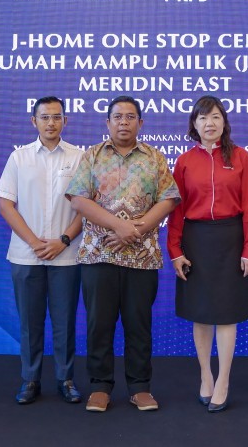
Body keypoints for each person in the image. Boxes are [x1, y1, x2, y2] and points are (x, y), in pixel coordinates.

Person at [66, 95, 180, 413]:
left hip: (141, 257)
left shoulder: (154, 158)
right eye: (118, 117)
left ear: (140, 123)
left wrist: (137, 230)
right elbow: (77, 199)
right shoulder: (91, 156)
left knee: (138, 324)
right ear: (108, 122)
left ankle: (140, 387)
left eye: (130, 117)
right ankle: (100, 387)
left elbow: (169, 199)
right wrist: (119, 226)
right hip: (97, 255)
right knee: (99, 324)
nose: (124, 122)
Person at [167, 95, 248, 413]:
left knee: (227, 313)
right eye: (204, 117)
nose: (210, 123)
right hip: (196, 240)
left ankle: (224, 380)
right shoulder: (184, 161)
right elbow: (176, 211)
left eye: (216, 117)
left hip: (232, 239)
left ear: (224, 122)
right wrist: (175, 251)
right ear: (194, 123)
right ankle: (206, 375)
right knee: (202, 312)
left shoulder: (242, 158)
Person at [0, 96, 85, 405]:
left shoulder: (79, 157)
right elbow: (5, 203)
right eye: (45, 117)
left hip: (67, 254)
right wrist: (34, 242)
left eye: (57, 117)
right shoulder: (19, 158)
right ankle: (30, 379)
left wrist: (63, 240)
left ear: (65, 120)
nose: (51, 122)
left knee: (65, 322)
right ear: (33, 121)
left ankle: (66, 378)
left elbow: (85, 207)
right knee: (30, 322)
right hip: (25, 254)